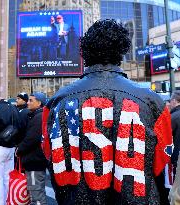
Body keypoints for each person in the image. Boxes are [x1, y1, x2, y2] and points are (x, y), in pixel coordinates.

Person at [42, 19, 173, 205]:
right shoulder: (153, 102)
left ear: (85, 52)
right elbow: (161, 164)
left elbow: (49, 155)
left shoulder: (56, 102)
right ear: (121, 51)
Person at [16, 92, 48, 205]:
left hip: (35, 161)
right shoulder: (38, 115)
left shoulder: (39, 117)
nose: (28, 103)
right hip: (36, 160)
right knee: (36, 192)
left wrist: (18, 150)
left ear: (39, 103)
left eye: (31, 100)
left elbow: (31, 139)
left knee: (36, 195)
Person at [0, 91, 20, 205]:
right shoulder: (13, 107)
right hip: (11, 147)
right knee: (7, 178)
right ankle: (8, 201)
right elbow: (19, 126)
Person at [168, 90, 180, 204]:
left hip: (175, 157)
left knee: (174, 188)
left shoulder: (173, 117)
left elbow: (166, 140)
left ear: (174, 101)